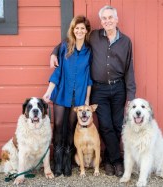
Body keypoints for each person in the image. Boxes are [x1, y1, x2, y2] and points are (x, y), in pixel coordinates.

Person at [50, 5, 136, 177]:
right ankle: (117, 161)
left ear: (116, 19)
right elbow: (72, 39)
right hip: (100, 88)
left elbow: (129, 69)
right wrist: (54, 52)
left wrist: (131, 95)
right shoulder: (94, 36)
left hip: (118, 87)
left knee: (117, 125)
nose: (107, 21)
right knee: (105, 125)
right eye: (104, 18)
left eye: (110, 18)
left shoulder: (126, 41)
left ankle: (109, 161)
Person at [43, 15, 92, 177]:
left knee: (71, 127)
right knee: (58, 125)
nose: (79, 31)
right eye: (76, 28)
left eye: (82, 28)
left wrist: (86, 99)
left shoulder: (88, 51)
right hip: (62, 92)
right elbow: (57, 72)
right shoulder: (65, 47)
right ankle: (57, 161)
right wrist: (49, 91)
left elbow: (89, 77)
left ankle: (67, 162)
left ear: (86, 31)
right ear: (73, 30)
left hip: (78, 96)